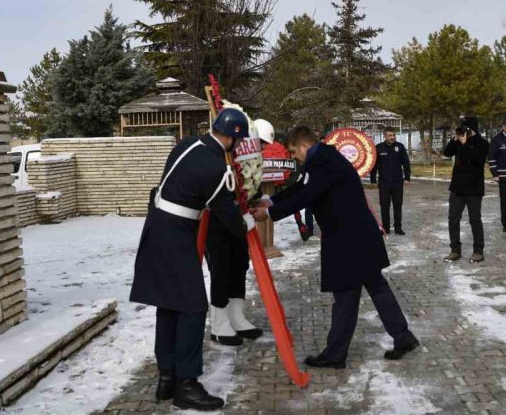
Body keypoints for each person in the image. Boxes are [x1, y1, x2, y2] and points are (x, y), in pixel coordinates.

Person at [251, 126, 420, 368]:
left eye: (293, 152)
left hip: (348, 239)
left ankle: (336, 354)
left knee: (346, 294)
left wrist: (269, 213)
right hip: (356, 236)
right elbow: (301, 188)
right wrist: (271, 201)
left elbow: (307, 194)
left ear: (304, 146)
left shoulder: (324, 161)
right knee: (372, 288)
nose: (293, 158)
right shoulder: (320, 158)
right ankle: (402, 337)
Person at [130, 108, 257, 411]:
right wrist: (249, 221)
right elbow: (230, 220)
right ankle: (186, 384)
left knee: (168, 304)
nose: (239, 147)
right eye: (239, 142)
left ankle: (167, 378)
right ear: (232, 138)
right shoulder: (215, 168)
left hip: (156, 227)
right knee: (193, 307)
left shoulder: (186, 144)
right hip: (176, 235)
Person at [204, 121, 271, 347]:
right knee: (221, 270)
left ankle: (236, 316)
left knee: (239, 265)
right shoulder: (218, 157)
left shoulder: (244, 160)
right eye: (259, 143)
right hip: (217, 223)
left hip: (238, 221)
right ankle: (219, 323)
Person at [443, 116, 490, 262]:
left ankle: (478, 251)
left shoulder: (482, 143)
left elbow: (478, 160)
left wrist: (464, 145)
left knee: (475, 220)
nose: (464, 132)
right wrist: (455, 139)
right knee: (453, 219)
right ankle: (455, 250)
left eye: (466, 129)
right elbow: (447, 152)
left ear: (472, 129)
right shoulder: (459, 141)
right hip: (457, 188)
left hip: (474, 189)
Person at [370, 128, 411, 235]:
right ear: (385, 136)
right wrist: (373, 179)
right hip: (384, 183)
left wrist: (407, 177)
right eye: (390, 135)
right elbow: (374, 165)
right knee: (384, 206)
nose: (392, 137)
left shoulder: (400, 147)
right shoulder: (379, 148)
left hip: (397, 182)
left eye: (393, 135)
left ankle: (398, 227)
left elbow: (406, 163)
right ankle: (386, 228)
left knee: (398, 205)